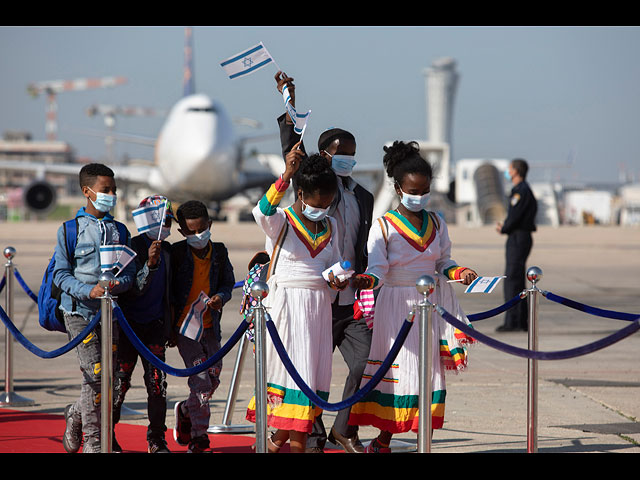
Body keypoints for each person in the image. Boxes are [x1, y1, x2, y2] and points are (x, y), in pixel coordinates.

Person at [349, 141, 478, 453]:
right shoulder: (383, 226)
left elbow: (443, 261)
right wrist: (365, 280)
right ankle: (383, 441)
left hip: (430, 304)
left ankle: (417, 443)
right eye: (413, 190)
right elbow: (377, 269)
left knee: (427, 375)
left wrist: (458, 272)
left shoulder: (437, 222)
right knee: (401, 373)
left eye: (424, 190)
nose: (419, 196)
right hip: (397, 308)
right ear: (397, 187)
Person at [274, 71, 375, 453]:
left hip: (348, 299)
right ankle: (309, 433)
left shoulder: (362, 195)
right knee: (309, 373)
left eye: (352, 151)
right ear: (325, 155)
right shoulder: (312, 190)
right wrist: (289, 104)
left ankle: (342, 427)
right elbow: (292, 148)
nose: (348, 158)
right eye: (341, 152)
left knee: (367, 360)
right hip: (313, 300)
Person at [245, 145, 348, 453]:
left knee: (312, 378)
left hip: (318, 308)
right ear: (301, 194)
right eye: (318, 202)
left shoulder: (331, 226)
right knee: (296, 380)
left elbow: (335, 262)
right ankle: (295, 447)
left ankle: (274, 444)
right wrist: (287, 175)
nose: (323, 208)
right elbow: (261, 211)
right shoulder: (282, 221)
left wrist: (338, 279)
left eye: (328, 203)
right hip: (288, 309)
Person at [55, 163, 136, 453]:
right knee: (94, 375)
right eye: (106, 190)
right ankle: (93, 442)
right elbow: (60, 274)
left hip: (110, 315)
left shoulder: (120, 231)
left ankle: (76, 413)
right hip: (80, 314)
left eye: (114, 190)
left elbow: (130, 274)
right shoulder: (70, 230)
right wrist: (89, 290)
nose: (111, 195)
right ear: (87, 191)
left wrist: (118, 285)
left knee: (109, 380)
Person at [170, 200, 235, 453]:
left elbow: (228, 283)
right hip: (185, 329)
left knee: (214, 376)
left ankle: (187, 410)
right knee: (201, 383)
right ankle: (200, 437)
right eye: (191, 232)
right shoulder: (176, 254)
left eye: (201, 230)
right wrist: (169, 330)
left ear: (210, 225)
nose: (197, 236)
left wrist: (221, 297)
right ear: (182, 233)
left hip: (209, 327)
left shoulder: (219, 252)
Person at [113, 195, 175, 453]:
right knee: (119, 383)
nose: (165, 224)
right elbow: (133, 289)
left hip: (155, 328)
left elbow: (171, 292)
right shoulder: (132, 247)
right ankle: (107, 433)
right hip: (129, 328)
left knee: (157, 384)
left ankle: (156, 438)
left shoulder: (170, 251)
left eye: (168, 220)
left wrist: (170, 326)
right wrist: (149, 265)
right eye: (160, 219)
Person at [495, 158, 537, 332]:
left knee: (512, 279)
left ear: (515, 171)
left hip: (518, 237)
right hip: (519, 236)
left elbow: (515, 216)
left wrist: (504, 227)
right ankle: (520, 321)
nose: (507, 171)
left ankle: (513, 322)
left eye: (510, 168)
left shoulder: (521, 191)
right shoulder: (522, 190)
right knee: (517, 279)